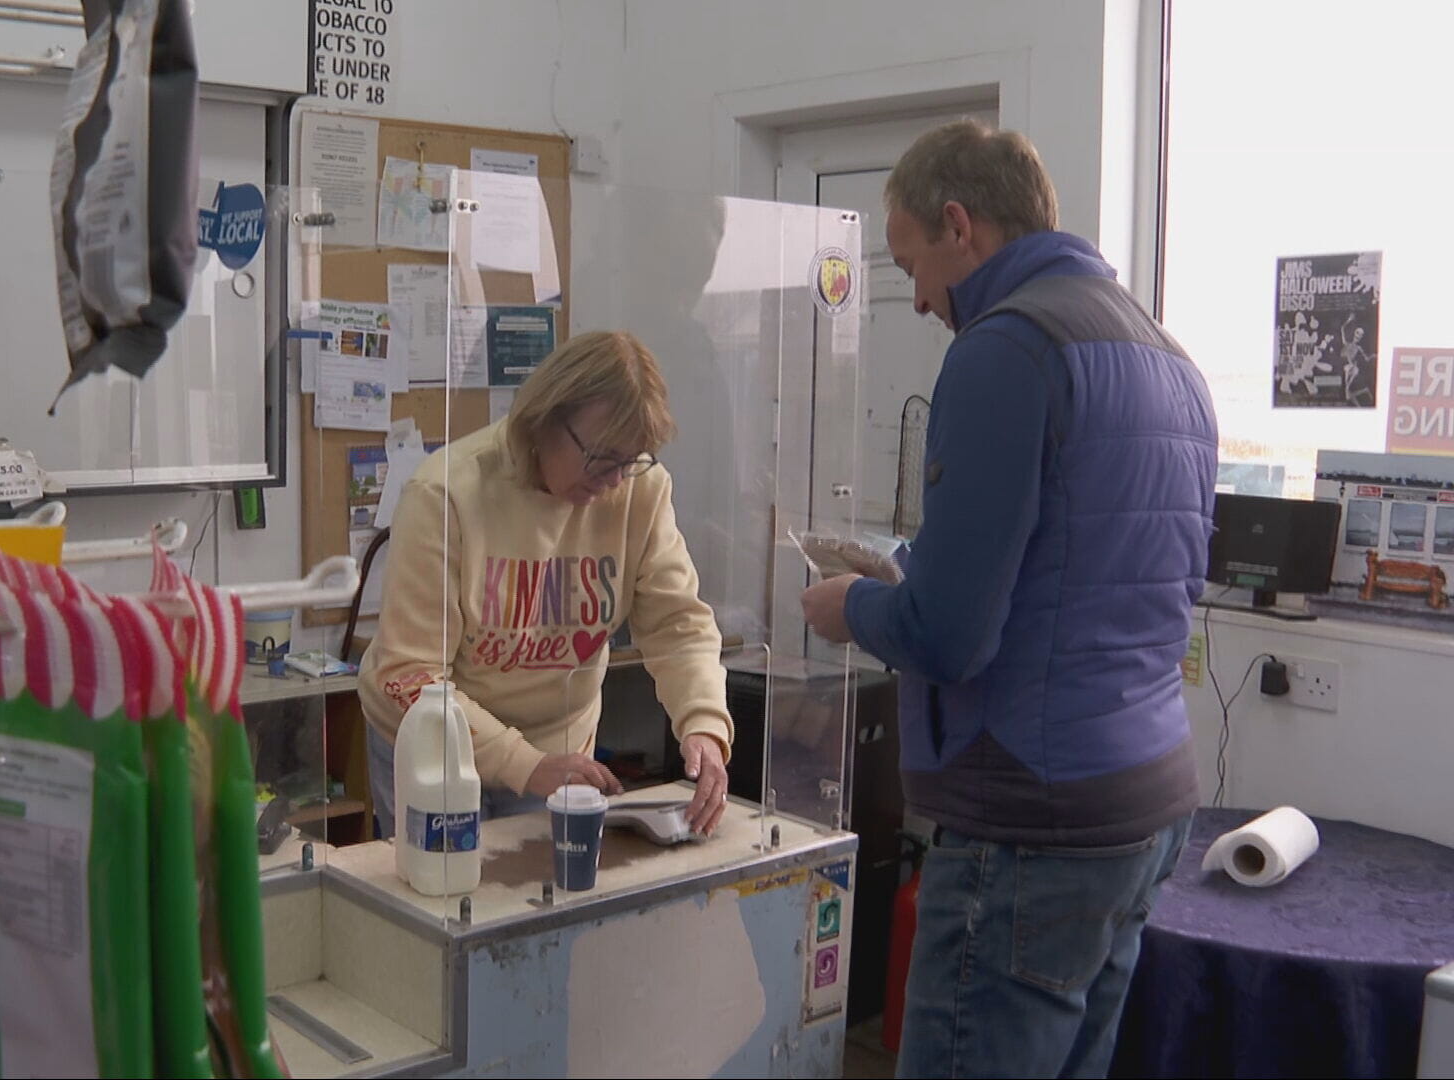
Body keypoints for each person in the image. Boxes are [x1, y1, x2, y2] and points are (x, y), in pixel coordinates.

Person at [799, 119, 1217, 1079]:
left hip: (1034, 822)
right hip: (1148, 804)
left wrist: (849, 609)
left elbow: (949, 639)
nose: (915, 299)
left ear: (961, 225)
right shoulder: (1169, 358)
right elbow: (1112, 579)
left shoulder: (1006, 350)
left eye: (912, 265)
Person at [359, 330, 734, 840]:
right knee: (440, 902)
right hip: (438, 748)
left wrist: (704, 725)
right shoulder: (445, 493)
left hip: (557, 754)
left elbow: (678, 626)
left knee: (541, 902)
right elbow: (410, 672)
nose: (615, 481)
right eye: (602, 457)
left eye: (632, 460)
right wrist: (521, 763)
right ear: (544, 420)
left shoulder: (641, 490)